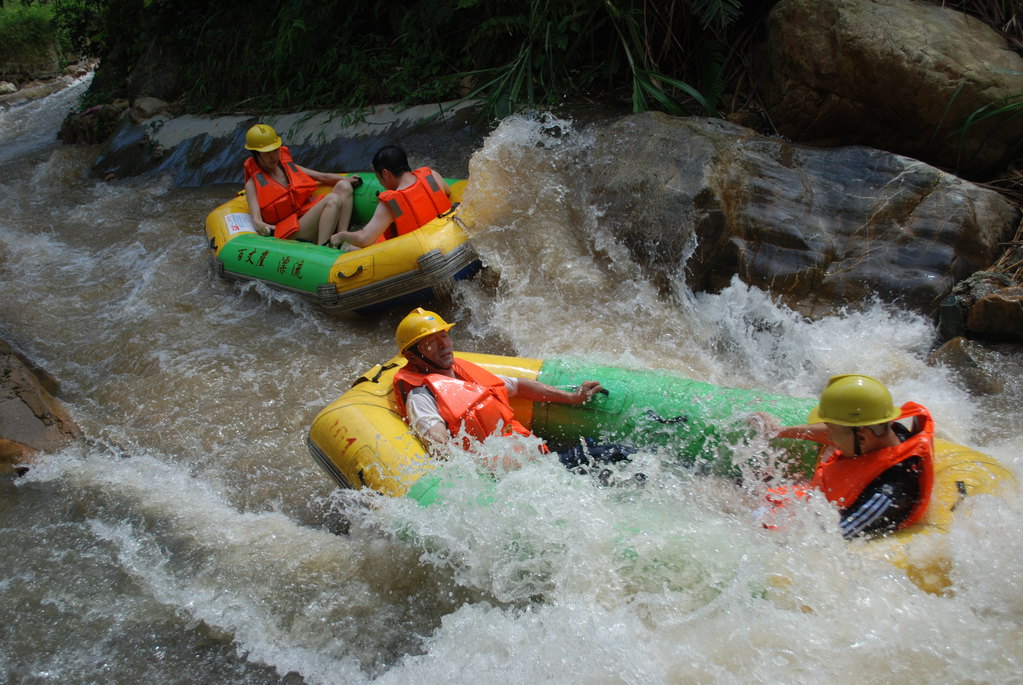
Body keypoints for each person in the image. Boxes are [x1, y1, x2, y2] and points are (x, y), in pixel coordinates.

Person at [391, 308, 634, 475]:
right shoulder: (421, 396)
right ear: (413, 355)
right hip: (513, 475)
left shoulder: (462, 371)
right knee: (619, 458)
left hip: (534, 459)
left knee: (621, 454)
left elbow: (517, 386)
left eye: (444, 336)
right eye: (431, 342)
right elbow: (439, 444)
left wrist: (573, 397)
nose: (444, 344)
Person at [757, 374, 935, 540]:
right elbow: (839, 431)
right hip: (821, 501)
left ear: (862, 437)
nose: (831, 439)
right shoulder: (887, 432)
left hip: (836, 522)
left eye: (833, 434)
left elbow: (828, 538)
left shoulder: (888, 493)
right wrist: (779, 431)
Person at [242, 123, 358, 245]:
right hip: (289, 232)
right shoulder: (251, 185)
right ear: (256, 155)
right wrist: (266, 228)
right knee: (332, 199)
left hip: (303, 218)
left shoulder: (287, 167)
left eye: (275, 150)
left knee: (344, 186)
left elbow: (321, 176)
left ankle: (342, 237)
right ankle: (323, 248)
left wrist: (346, 179)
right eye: (267, 153)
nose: (273, 156)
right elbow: (256, 220)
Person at [326, 145, 452, 249]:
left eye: (378, 177)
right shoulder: (432, 177)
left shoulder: (391, 204)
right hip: (450, 237)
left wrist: (341, 236)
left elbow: (363, 239)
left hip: (419, 251)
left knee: (352, 248)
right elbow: (448, 193)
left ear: (385, 173)